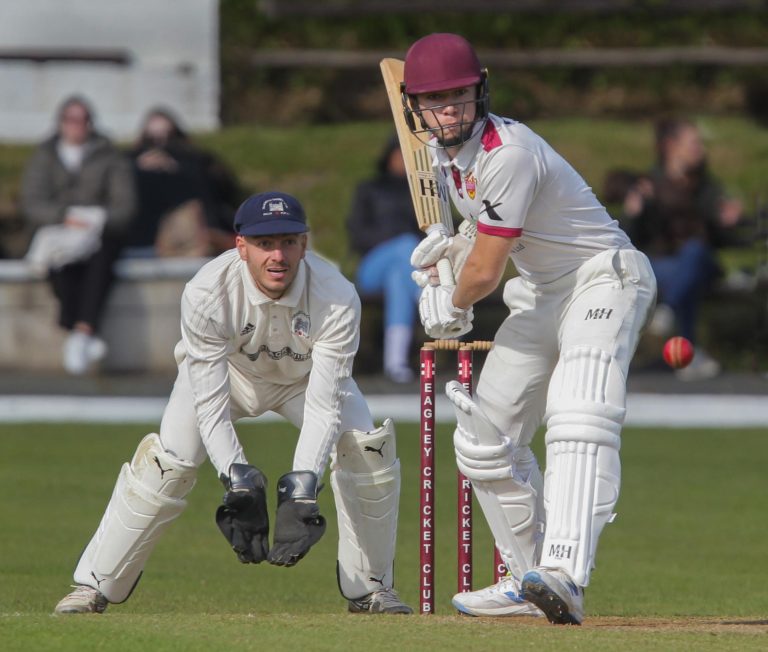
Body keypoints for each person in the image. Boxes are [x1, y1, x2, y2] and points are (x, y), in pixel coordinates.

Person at [53, 191, 412, 617]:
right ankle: (93, 586)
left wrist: (302, 489)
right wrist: (237, 479)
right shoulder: (207, 291)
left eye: (288, 242)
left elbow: (324, 403)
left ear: (304, 243)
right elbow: (207, 401)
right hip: (230, 380)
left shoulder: (336, 295)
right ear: (240, 247)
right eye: (264, 244)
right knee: (166, 465)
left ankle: (372, 589)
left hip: (304, 381)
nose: (277, 256)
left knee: (368, 452)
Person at [402, 33, 657, 625]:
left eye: (460, 97)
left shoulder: (508, 151)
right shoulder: (448, 160)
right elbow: (483, 240)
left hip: (604, 278)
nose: (449, 111)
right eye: (436, 100)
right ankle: (530, 580)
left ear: (480, 92)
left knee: (578, 406)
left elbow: (487, 272)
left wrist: (450, 301)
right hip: (544, 294)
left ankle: (566, 572)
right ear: (417, 108)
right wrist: (447, 259)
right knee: (483, 436)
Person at [20, 95, 137, 375]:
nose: (76, 126)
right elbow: (31, 202)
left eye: (82, 120)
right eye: (70, 119)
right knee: (62, 268)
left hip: (100, 233)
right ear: (60, 123)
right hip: (58, 232)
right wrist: (65, 217)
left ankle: (79, 330)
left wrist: (94, 219)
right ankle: (84, 334)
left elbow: (125, 204)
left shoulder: (108, 155)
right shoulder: (44, 156)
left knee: (99, 262)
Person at [621, 118, 744, 380]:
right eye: (694, 143)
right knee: (678, 274)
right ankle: (686, 353)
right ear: (670, 146)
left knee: (694, 253)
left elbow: (721, 239)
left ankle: (668, 312)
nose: (700, 150)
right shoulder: (649, 185)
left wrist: (729, 222)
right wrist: (635, 212)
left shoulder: (706, 187)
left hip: (699, 263)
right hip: (663, 265)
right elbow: (629, 236)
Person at [346, 136, 424, 383]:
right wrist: (393, 239)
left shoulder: (420, 191)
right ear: (388, 157)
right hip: (372, 266)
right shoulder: (370, 189)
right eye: (398, 155)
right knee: (405, 246)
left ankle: (395, 363)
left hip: (405, 270)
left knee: (398, 278)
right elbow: (357, 233)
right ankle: (427, 299)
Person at [124, 107, 243, 258]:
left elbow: (217, 186)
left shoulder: (195, 159)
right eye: (152, 138)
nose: (160, 143)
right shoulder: (129, 161)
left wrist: (174, 166)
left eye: (167, 136)